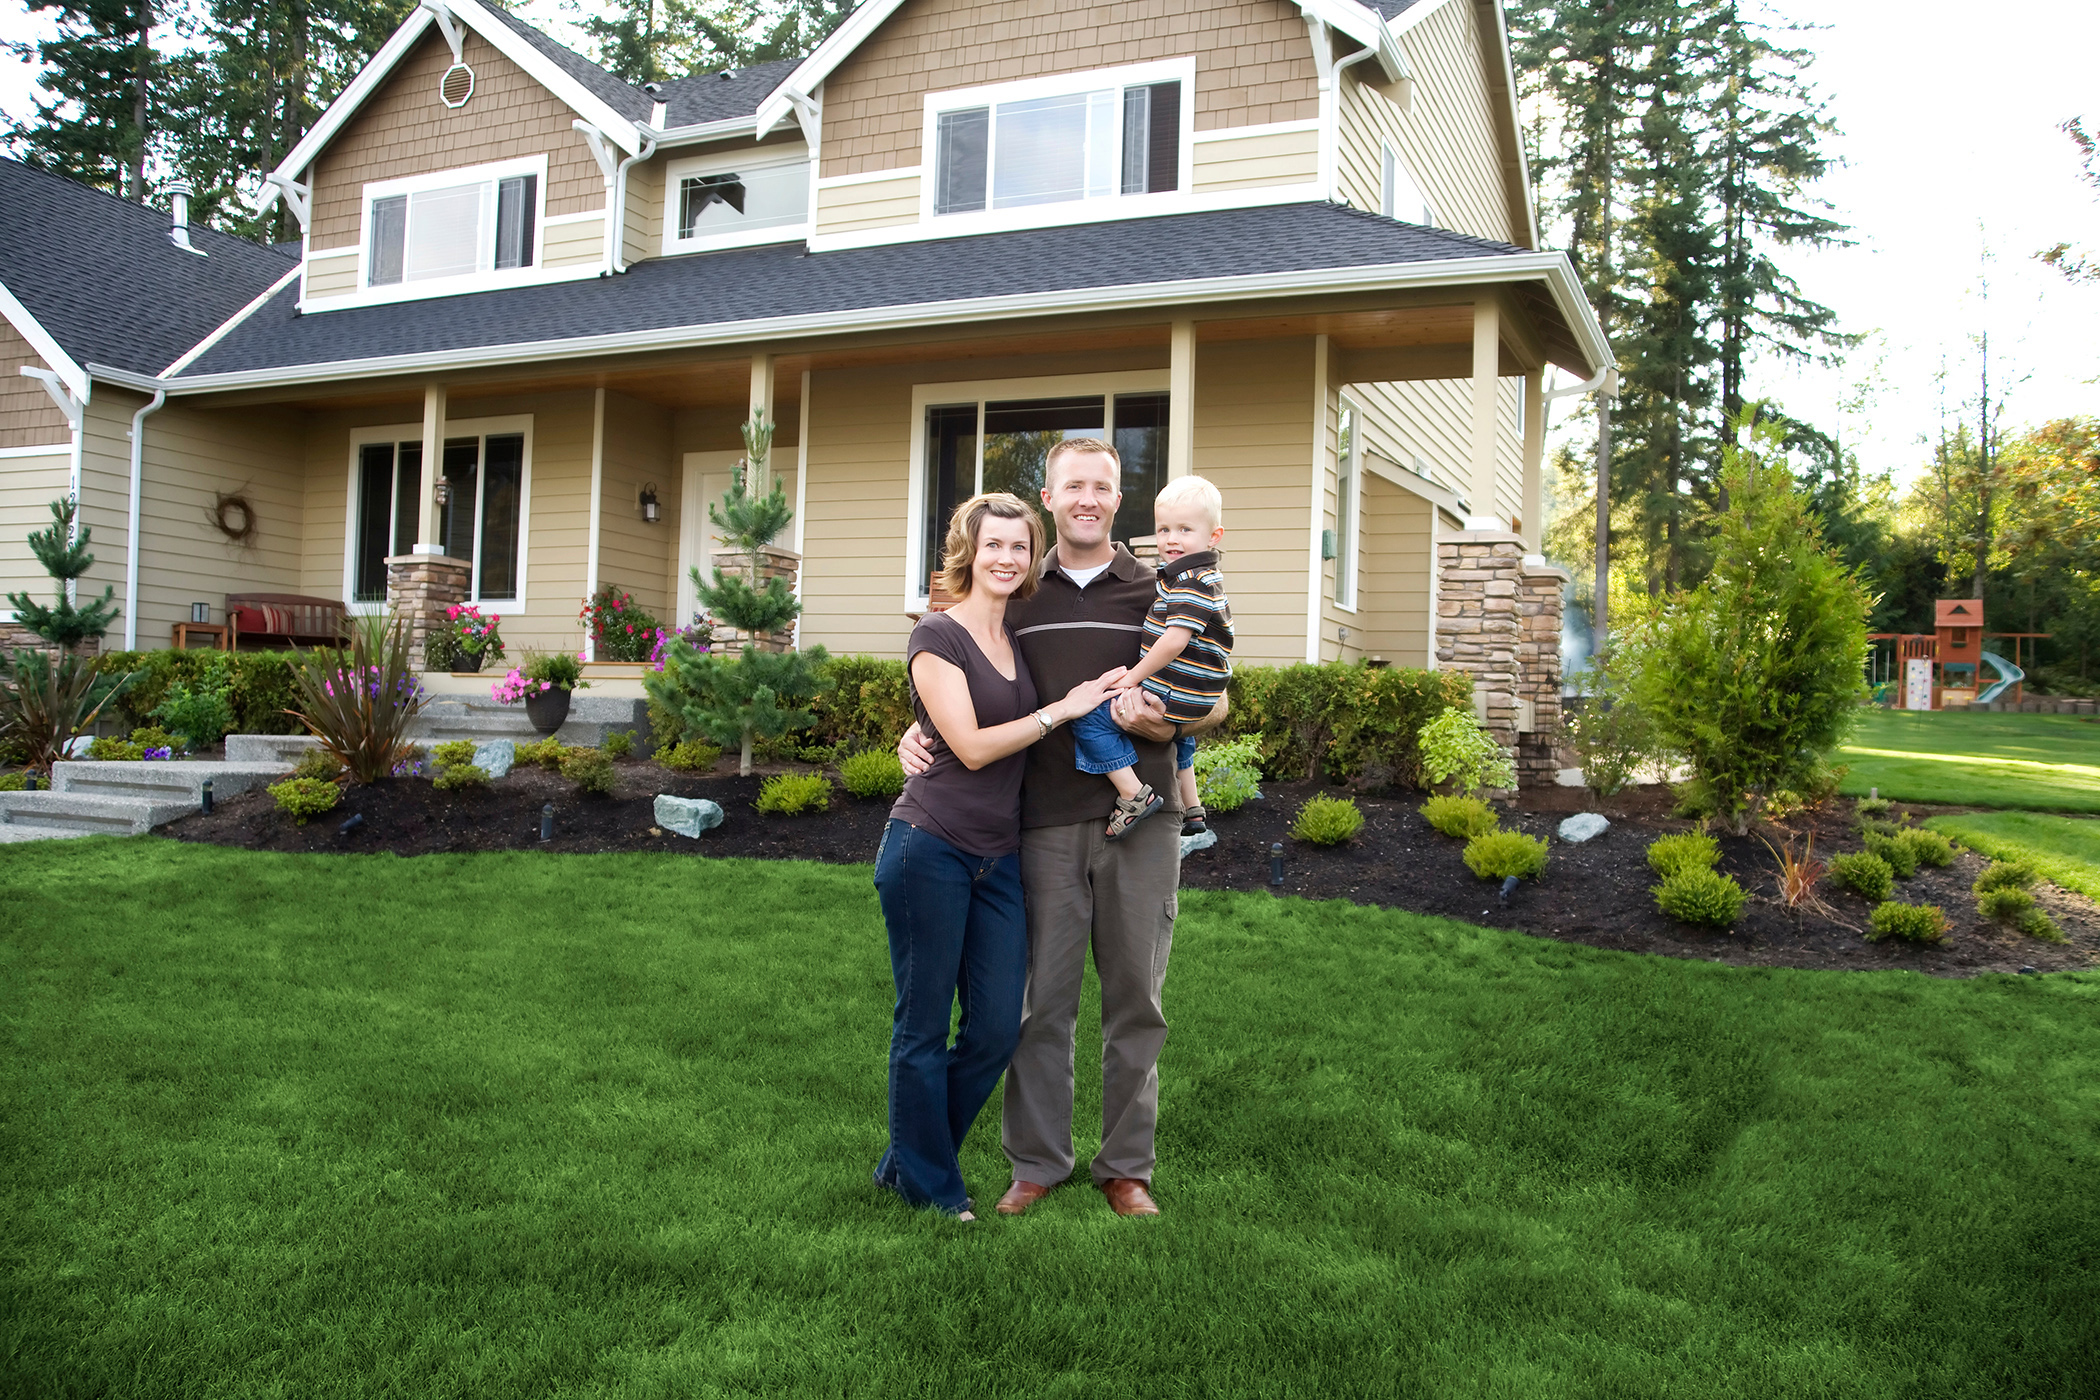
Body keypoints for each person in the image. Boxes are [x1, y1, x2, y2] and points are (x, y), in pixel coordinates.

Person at [901, 440, 1226, 1219]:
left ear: (1120, 500)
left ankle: (1125, 1168)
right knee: (1039, 1005)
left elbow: (1217, 702)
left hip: (1143, 821)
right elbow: (954, 674)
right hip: (1038, 824)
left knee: (1135, 1000)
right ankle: (1038, 1162)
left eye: (1103, 487)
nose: (1087, 497)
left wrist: (1171, 715)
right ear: (1048, 494)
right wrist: (910, 735)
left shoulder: (1163, 585)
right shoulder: (1017, 588)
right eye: (1072, 484)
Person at [872, 490, 1119, 1221]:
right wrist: (1058, 711)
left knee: (993, 1030)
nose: (1007, 559)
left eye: (1019, 547)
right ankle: (935, 1188)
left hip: (998, 858)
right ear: (968, 553)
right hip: (930, 848)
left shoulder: (1017, 634)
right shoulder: (935, 634)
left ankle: (905, 1162)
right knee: (921, 1027)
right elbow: (973, 747)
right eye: (995, 546)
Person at [1066, 474, 1234, 839]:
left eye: (1185, 529)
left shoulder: (1191, 579)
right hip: (1195, 692)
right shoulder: (1194, 577)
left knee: (1086, 717)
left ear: (1213, 536)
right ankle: (1193, 808)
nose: (1172, 539)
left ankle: (1133, 793)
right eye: (1163, 529)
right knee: (1181, 738)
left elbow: (1174, 641)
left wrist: (1132, 677)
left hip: (1178, 691)